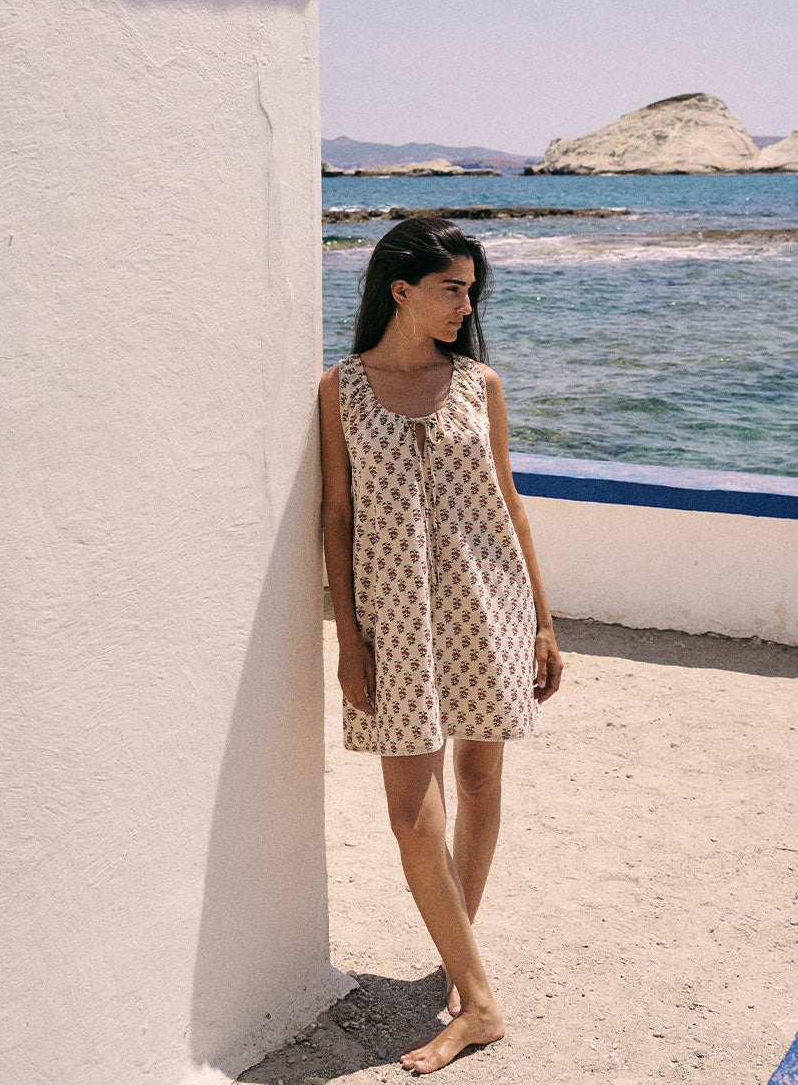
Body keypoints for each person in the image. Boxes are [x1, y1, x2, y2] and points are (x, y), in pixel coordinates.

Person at [318, 216, 563, 1074]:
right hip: (394, 621)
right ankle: (481, 999)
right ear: (401, 289)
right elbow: (336, 518)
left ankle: (464, 972)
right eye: (451, 287)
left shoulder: (479, 384)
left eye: (470, 290)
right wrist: (348, 640)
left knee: (479, 776)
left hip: (483, 605)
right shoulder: (340, 389)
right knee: (407, 814)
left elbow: (510, 501)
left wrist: (539, 617)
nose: (466, 304)